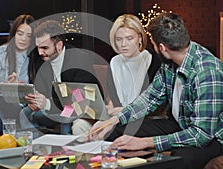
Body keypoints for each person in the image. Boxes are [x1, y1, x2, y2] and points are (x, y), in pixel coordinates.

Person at [88, 13, 223, 169]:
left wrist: (145, 142)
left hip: (212, 136)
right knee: (117, 131)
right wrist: (114, 120)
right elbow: (149, 99)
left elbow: (201, 135)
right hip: (179, 123)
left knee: (180, 159)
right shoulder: (169, 62)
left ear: (162, 48)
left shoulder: (207, 71)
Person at [71, 14, 163, 138]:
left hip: (144, 118)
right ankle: (91, 155)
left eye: (129, 38)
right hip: (117, 116)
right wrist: (109, 108)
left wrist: (124, 111)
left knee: (105, 133)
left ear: (140, 38)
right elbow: (113, 99)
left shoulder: (154, 62)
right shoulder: (114, 62)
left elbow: (158, 104)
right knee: (79, 125)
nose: (123, 44)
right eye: (119, 39)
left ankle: (103, 153)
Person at [19, 20, 100, 134]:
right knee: (25, 113)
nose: (40, 52)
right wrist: (36, 100)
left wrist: (47, 103)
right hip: (54, 107)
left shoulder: (79, 60)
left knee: (66, 116)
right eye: (38, 47)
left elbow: (79, 99)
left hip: (79, 108)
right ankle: (34, 147)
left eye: (45, 48)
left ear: (59, 45)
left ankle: (66, 151)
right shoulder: (40, 60)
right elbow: (41, 90)